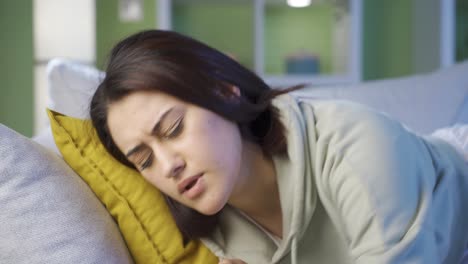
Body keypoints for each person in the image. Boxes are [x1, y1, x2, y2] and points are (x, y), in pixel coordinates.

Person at [89, 29, 468, 264]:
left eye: (172, 129)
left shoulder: (355, 147)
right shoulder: (214, 221)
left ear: (223, 90)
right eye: (144, 160)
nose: (167, 165)